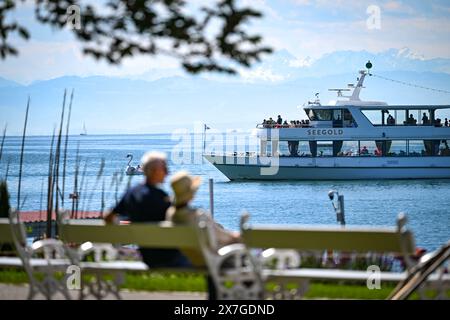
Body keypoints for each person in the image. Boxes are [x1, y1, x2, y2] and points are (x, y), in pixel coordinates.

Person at [104, 151, 190, 268]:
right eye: (164, 168)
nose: (167, 172)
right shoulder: (161, 197)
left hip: (146, 255)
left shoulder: (131, 193)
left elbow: (108, 216)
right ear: (155, 171)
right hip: (167, 256)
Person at [166, 171, 241, 300]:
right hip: (211, 260)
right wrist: (237, 237)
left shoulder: (170, 215)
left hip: (190, 258)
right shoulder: (199, 216)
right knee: (241, 256)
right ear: (191, 194)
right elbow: (224, 237)